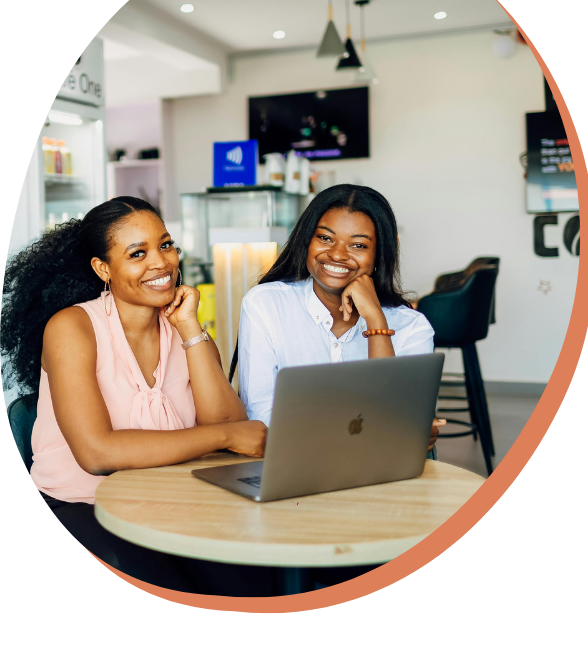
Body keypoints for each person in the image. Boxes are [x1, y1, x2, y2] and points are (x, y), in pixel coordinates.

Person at [0, 196, 273, 596]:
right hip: (83, 506)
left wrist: (189, 328)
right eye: (137, 253)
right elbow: (98, 454)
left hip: (172, 500)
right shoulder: (72, 327)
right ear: (103, 268)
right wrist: (225, 439)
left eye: (165, 245)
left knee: (254, 578)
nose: (160, 262)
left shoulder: (184, 329)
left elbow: (231, 426)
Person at [230, 184, 446, 588]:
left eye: (358, 244)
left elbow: (395, 433)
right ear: (306, 239)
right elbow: (262, 415)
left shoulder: (413, 327)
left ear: (380, 253)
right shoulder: (265, 303)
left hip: (382, 488)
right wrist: (389, 432)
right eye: (325, 238)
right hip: (292, 483)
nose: (337, 255)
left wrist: (374, 319)